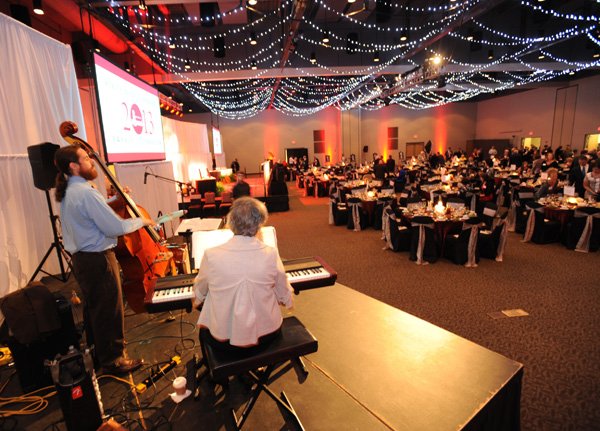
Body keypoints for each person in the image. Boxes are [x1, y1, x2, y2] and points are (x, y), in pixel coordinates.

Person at [54, 143, 153, 374]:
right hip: (97, 259)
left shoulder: (73, 190)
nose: (91, 162)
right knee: (110, 309)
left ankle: (97, 353)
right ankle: (114, 359)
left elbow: (92, 212)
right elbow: (114, 227)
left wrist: (115, 201)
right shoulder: (86, 192)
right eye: (86, 159)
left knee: (95, 309)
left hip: (84, 260)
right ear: (74, 166)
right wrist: (143, 221)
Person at [193, 197, 293, 356]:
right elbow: (284, 294)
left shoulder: (211, 255)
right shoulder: (270, 253)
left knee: (204, 328)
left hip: (224, 341)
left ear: (231, 222)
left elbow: (199, 292)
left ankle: (217, 374)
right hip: (267, 335)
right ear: (260, 224)